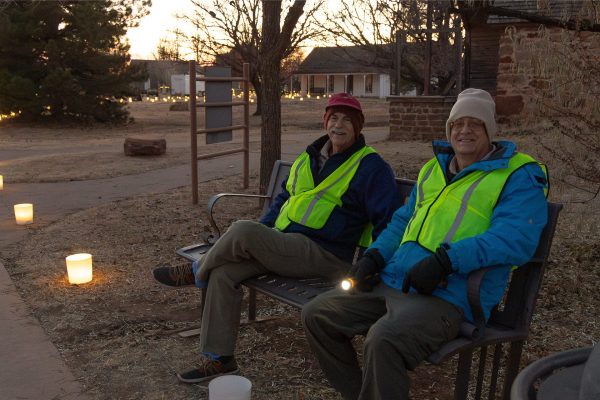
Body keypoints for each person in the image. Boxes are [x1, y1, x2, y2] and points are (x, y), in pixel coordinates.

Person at [301, 88, 549, 400]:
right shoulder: (434, 168)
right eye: (458, 124)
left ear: (490, 130)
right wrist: (375, 257)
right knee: (317, 314)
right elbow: (403, 220)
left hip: (450, 296)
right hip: (396, 280)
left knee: (383, 339)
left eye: (476, 124)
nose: (464, 131)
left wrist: (446, 262)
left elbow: (515, 239)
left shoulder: (518, 174)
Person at [152, 92, 402, 383]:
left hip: (326, 256)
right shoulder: (309, 158)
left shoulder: (371, 167)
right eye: (334, 118)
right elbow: (282, 200)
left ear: (358, 127)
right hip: (286, 247)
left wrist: (374, 264)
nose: (339, 125)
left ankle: (196, 271)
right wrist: (261, 239)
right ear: (325, 121)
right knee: (222, 272)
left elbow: (390, 219)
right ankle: (219, 359)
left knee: (244, 230)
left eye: (348, 120)